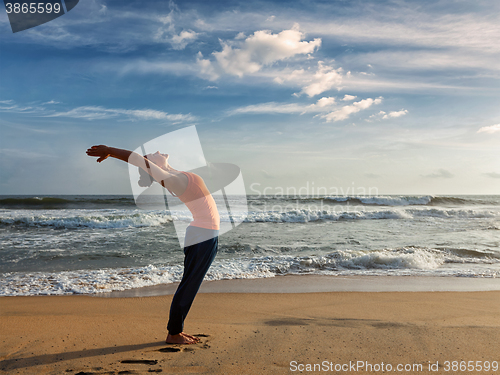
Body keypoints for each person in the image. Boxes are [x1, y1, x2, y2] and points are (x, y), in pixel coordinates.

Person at [86, 145, 220, 345]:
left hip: (204, 233)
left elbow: (145, 162)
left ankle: (176, 330)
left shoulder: (174, 174)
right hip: (203, 235)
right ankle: (174, 333)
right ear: (154, 165)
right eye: (150, 157)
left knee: (189, 284)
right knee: (189, 285)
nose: (156, 151)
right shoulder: (172, 180)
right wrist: (109, 150)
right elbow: (137, 159)